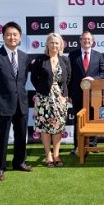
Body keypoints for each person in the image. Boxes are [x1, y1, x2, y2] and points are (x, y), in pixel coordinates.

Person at [0, 21, 32, 181]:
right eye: (8, 34)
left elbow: (22, 81)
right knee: (1, 136)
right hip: (2, 104)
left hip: (21, 103)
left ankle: (19, 162)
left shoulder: (24, 57)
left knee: (21, 135)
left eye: (15, 34)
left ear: (20, 37)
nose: (12, 37)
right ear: (3, 37)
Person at [31, 33, 71, 167]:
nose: (54, 45)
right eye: (52, 42)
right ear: (47, 44)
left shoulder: (65, 60)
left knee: (58, 127)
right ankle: (48, 155)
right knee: (45, 128)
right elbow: (33, 79)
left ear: (61, 45)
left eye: (57, 43)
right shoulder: (40, 60)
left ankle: (56, 155)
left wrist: (62, 94)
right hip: (44, 99)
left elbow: (68, 78)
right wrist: (43, 91)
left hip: (60, 100)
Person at [68, 31, 104, 154]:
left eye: (89, 39)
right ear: (80, 40)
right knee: (78, 119)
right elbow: (69, 76)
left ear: (92, 41)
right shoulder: (72, 55)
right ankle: (77, 146)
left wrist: (93, 79)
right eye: (84, 39)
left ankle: (92, 145)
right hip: (77, 94)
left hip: (93, 94)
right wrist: (69, 94)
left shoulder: (98, 55)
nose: (86, 41)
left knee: (92, 119)